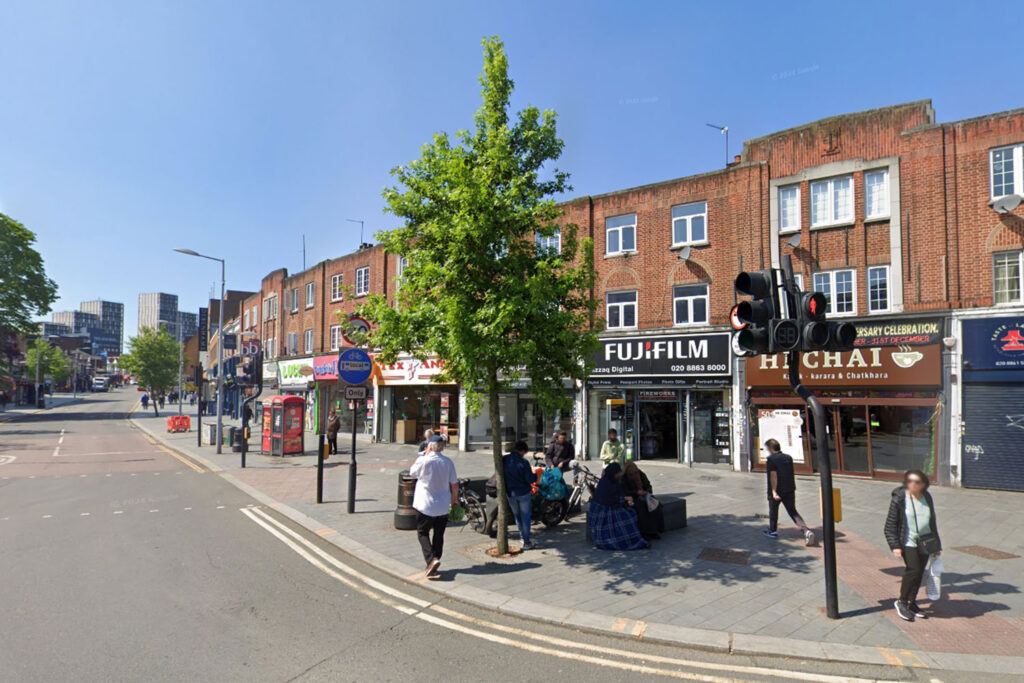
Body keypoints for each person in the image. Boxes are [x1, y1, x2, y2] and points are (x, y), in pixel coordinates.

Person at [885, 469, 942, 622]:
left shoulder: (927, 497)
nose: (912, 484)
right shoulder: (900, 498)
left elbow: (932, 522)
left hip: (925, 541)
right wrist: (895, 545)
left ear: (924, 484)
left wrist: (937, 545)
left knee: (919, 573)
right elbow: (890, 525)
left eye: (916, 482)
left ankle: (912, 602)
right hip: (908, 541)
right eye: (909, 481)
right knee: (913, 570)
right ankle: (902, 602)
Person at [409, 440, 459, 576]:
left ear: (430, 447)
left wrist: (424, 455)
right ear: (442, 448)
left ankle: (431, 560)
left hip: (425, 504)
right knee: (438, 534)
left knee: (422, 532)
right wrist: (454, 500)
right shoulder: (448, 462)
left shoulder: (423, 460)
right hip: (443, 505)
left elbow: (412, 473)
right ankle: (435, 559)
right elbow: (454, 484)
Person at [762, 439, 815, 546]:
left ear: (771, 449)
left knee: (773, 510)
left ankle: (773, 530)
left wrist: (774, 491)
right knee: (793, 511)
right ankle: (806, 530)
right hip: (790, 488)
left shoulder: (771, 460)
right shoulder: (788, 458)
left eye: (767, 448)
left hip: (778, 490)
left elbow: (773, 476)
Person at [588, 463, 648, 551]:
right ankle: (628, 541)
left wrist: (626, 500)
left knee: (632, 513)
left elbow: (619, 494)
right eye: (617, 472)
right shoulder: (605, 483)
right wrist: (624, 499)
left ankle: (642, 536)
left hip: (613, 505)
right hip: (603, 511)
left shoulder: (615, 481)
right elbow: (607, 499)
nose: (619, 474)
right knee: (626, 519)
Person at [503, 440, 536, 550]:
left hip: (511, 493)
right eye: (524, 453)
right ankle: (526, 542)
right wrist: (536, 476)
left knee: (517, 516)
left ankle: (522, 537)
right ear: (522, 451)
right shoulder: (523, 462)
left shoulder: (505, 459)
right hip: (523, 493)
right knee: (525, 517)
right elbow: (529, 479)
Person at [623, 461, 664, 540]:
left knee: (656, 506)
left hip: (645, 496)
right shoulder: (624, 478)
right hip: (633, 498)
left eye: (635, 472)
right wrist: (636, 492)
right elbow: (624, 491)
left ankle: (654, 531)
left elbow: (648, 485)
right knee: (641, 507)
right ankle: (644, 532)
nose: (634, 475)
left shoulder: (641, 474)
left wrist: (647, 491)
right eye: (631, 474)